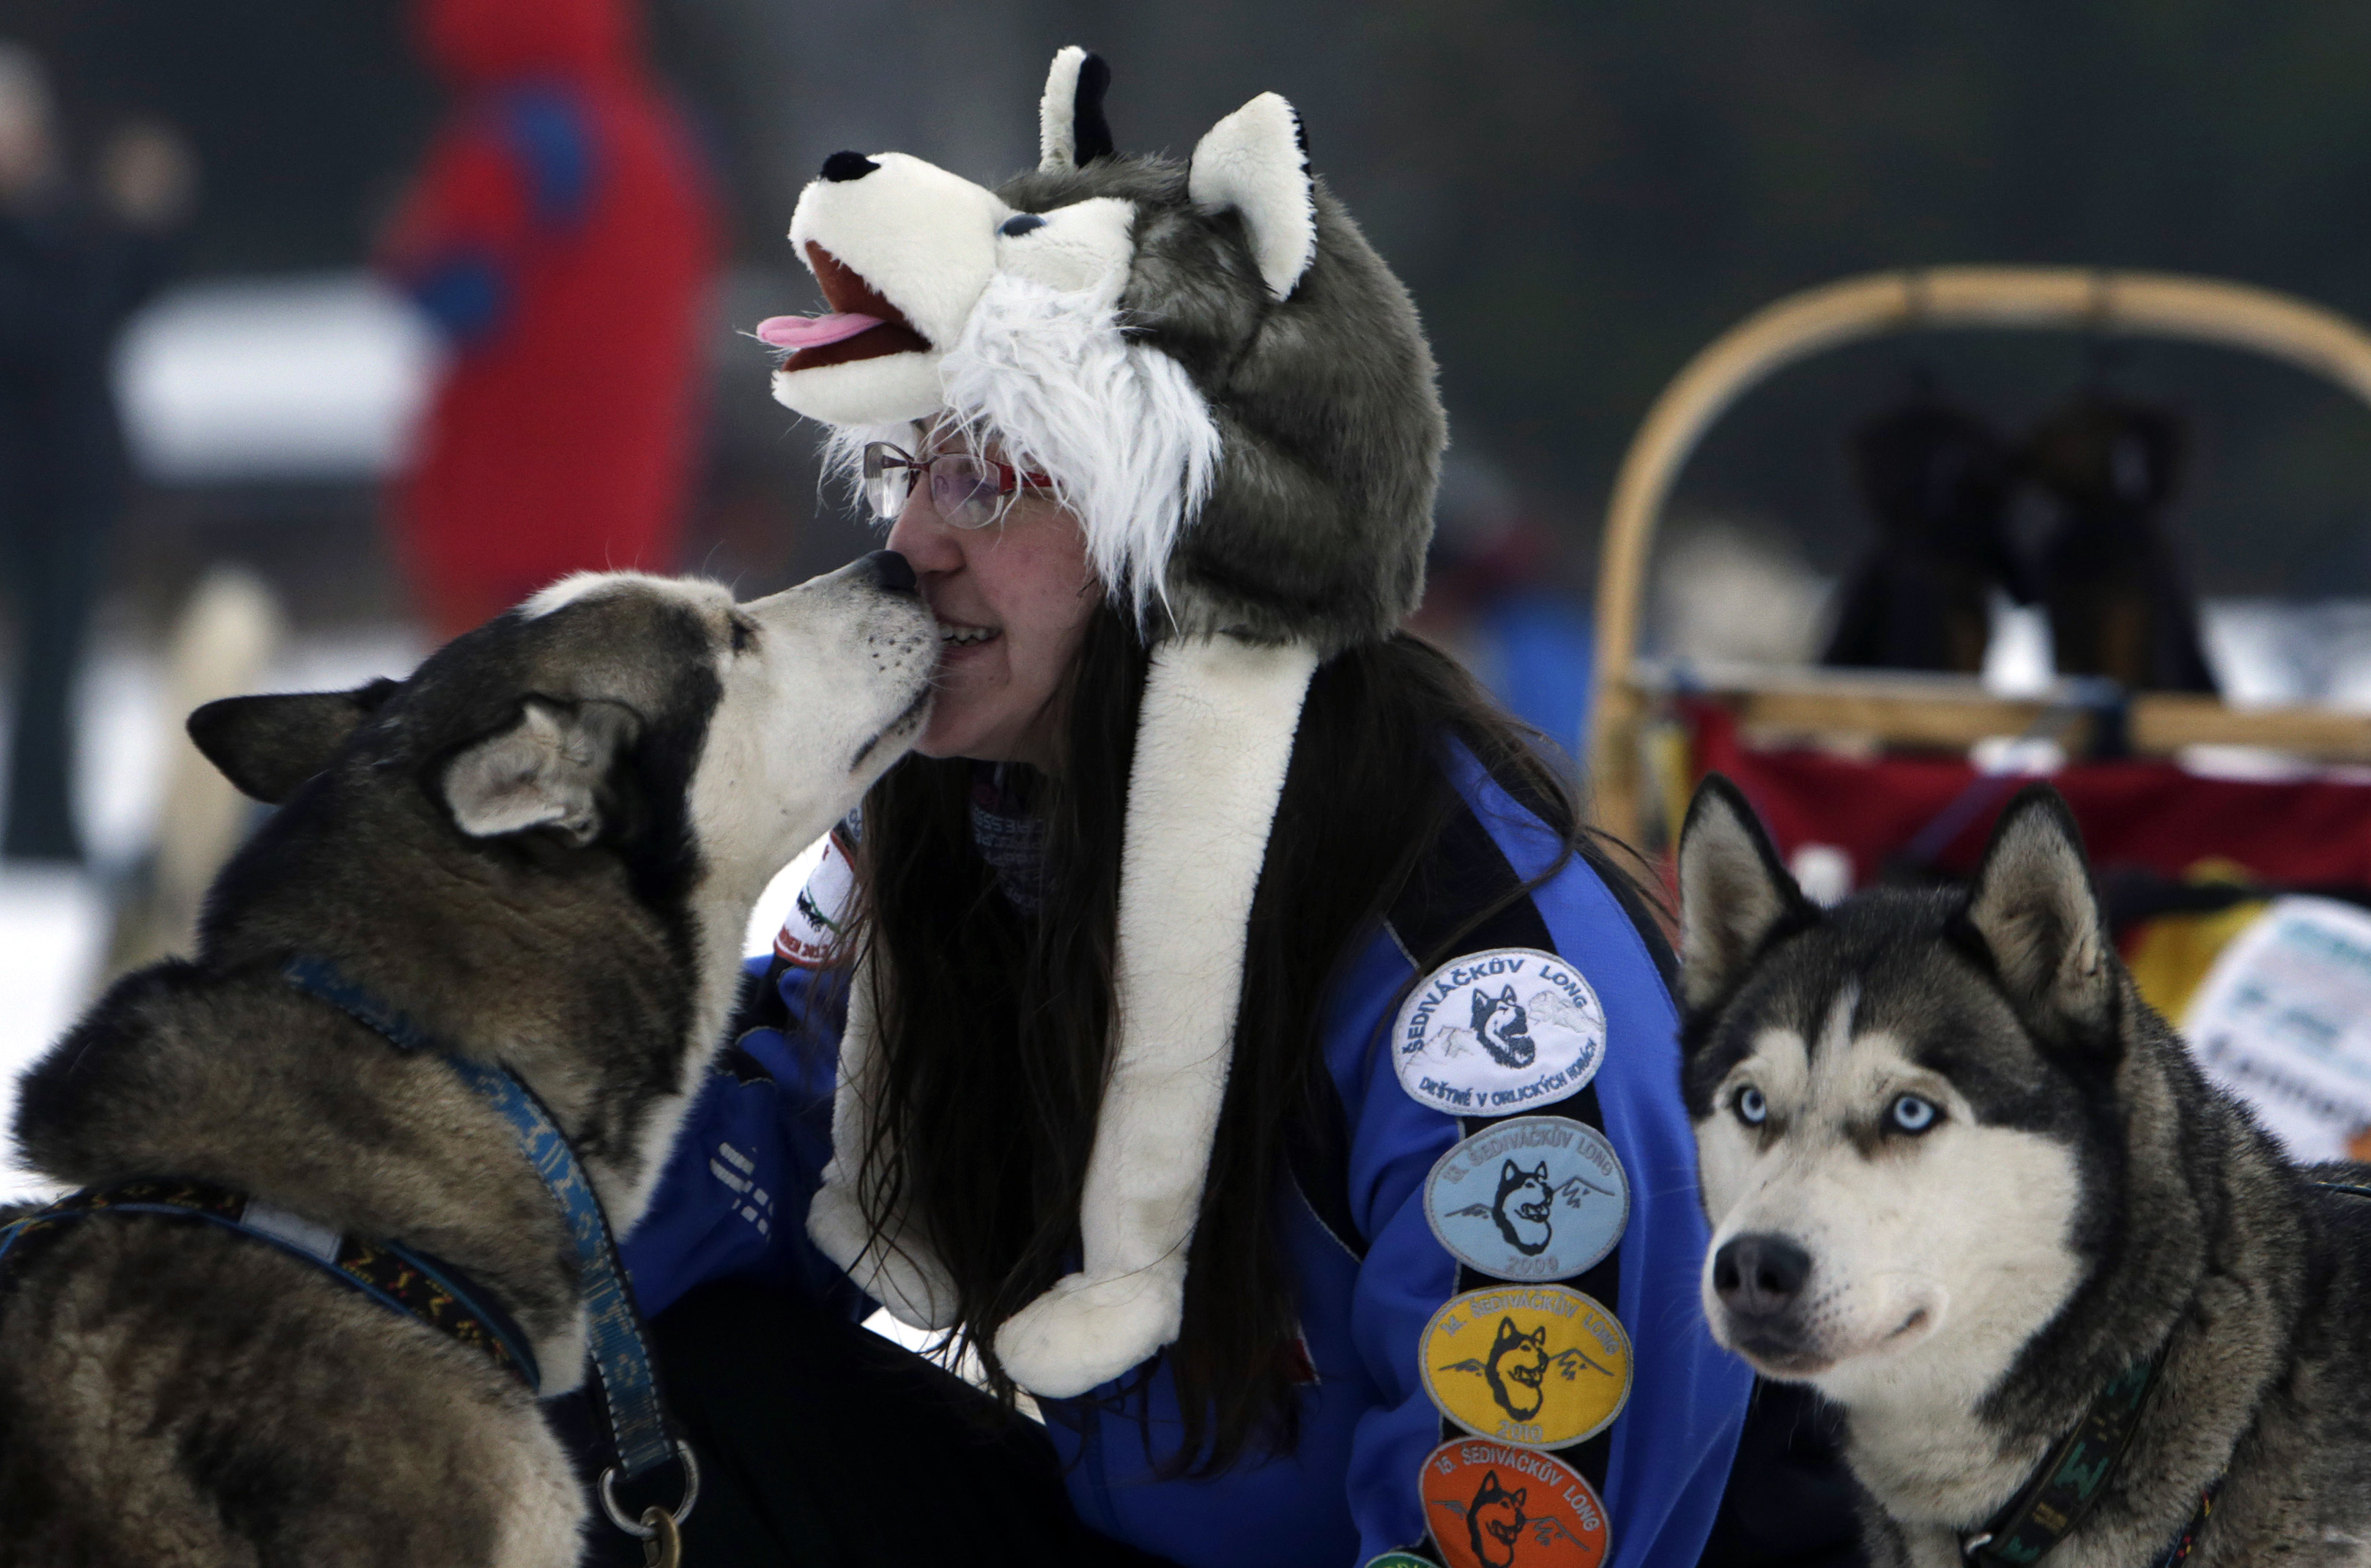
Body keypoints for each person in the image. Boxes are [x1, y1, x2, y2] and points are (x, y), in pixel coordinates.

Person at [584, 47, 1852, 1568]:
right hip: (1135, 1539)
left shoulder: (1489, 999)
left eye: (989, 475)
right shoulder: (954, 834)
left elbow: (1508, 1517)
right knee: (620, 1383)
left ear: (1188, 537)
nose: (911, 538)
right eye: (903, 469)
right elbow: (702, 1180)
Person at [378, 0, 712, 640]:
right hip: (630, 478)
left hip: (502, 484)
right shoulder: (659, 131)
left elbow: (462, 300)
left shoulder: (513, 137)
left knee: (476, 714)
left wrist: (407, 249)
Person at [0, 47, 188, 863]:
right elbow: (49, 328)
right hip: (21, 482)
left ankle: (46, 827)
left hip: (70, 483)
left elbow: (130, 293)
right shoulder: (62, 233)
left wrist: (149, 217)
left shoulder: (68, 219)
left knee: (61, 672)